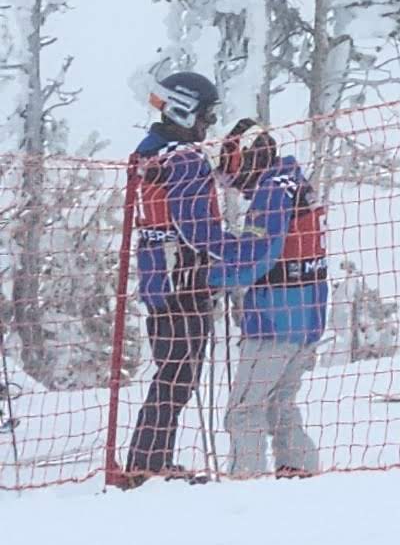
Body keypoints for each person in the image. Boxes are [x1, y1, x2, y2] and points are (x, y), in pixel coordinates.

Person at [113, 70, 237, 486]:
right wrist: (235, 250)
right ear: (184, 110)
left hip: (160, 279)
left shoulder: (151, 151)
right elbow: (195, 225)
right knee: (178, 377)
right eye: (206, 115)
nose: (209, 125)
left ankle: (152, 460)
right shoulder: (181, 157)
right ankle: (148, 465)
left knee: (172, 374)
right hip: (184, 280)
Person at [210, 119, 328, 478]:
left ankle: (245, 481)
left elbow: (260, 254)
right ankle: (299, 469)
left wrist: (213, 277)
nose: (229, 179)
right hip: (307, 316)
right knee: (280, 403)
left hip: (275, 317)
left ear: (248, 157)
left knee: (245, 408)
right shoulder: (294, 181)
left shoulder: (272, 191)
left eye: (229, 166)